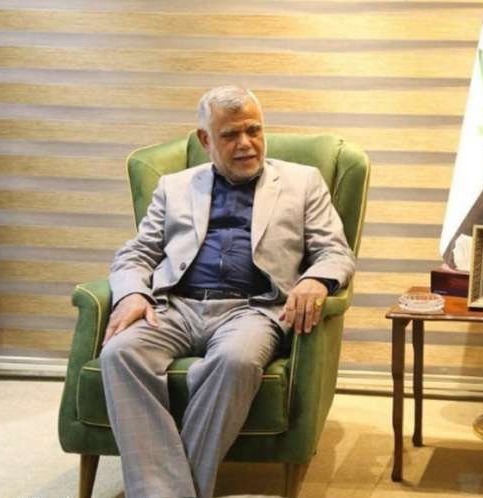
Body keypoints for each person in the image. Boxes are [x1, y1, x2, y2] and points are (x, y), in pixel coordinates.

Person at [100, 86, 355, 498]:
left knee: (235, 361)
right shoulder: (174, 186)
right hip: (175, 306)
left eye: (253, 130)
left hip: (252, 310)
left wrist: (315, 280)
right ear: (206, 140)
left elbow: (335, 252)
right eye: (230, 135)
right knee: (119, 354)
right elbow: (137, 253)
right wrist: (132, 294)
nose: (246, 143)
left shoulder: (302, 182)